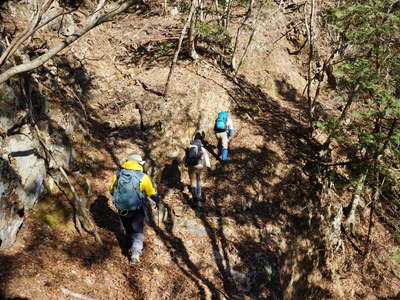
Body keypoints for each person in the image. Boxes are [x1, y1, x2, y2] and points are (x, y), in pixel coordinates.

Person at [109, 154, 161, 265]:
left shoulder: (118, 174)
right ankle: (135, 254)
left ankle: (128, 246)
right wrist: (157, 200)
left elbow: (111, 190)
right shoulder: (142, 177)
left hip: (122, 208)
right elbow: (151, 192)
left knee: (127, 228)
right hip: (136, 208)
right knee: (137, 231)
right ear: (138, 164)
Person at [184, 133, 211, 207]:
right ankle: (199, 196)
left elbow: (185, 158)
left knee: (193, 182)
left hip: (191, 166)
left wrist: (186, 164)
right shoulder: (202, 147)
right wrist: (208, 166)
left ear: (194, 139)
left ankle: (195, 198)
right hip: (200, 165)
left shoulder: (190, 146)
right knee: (198, 180)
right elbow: (206, 157)